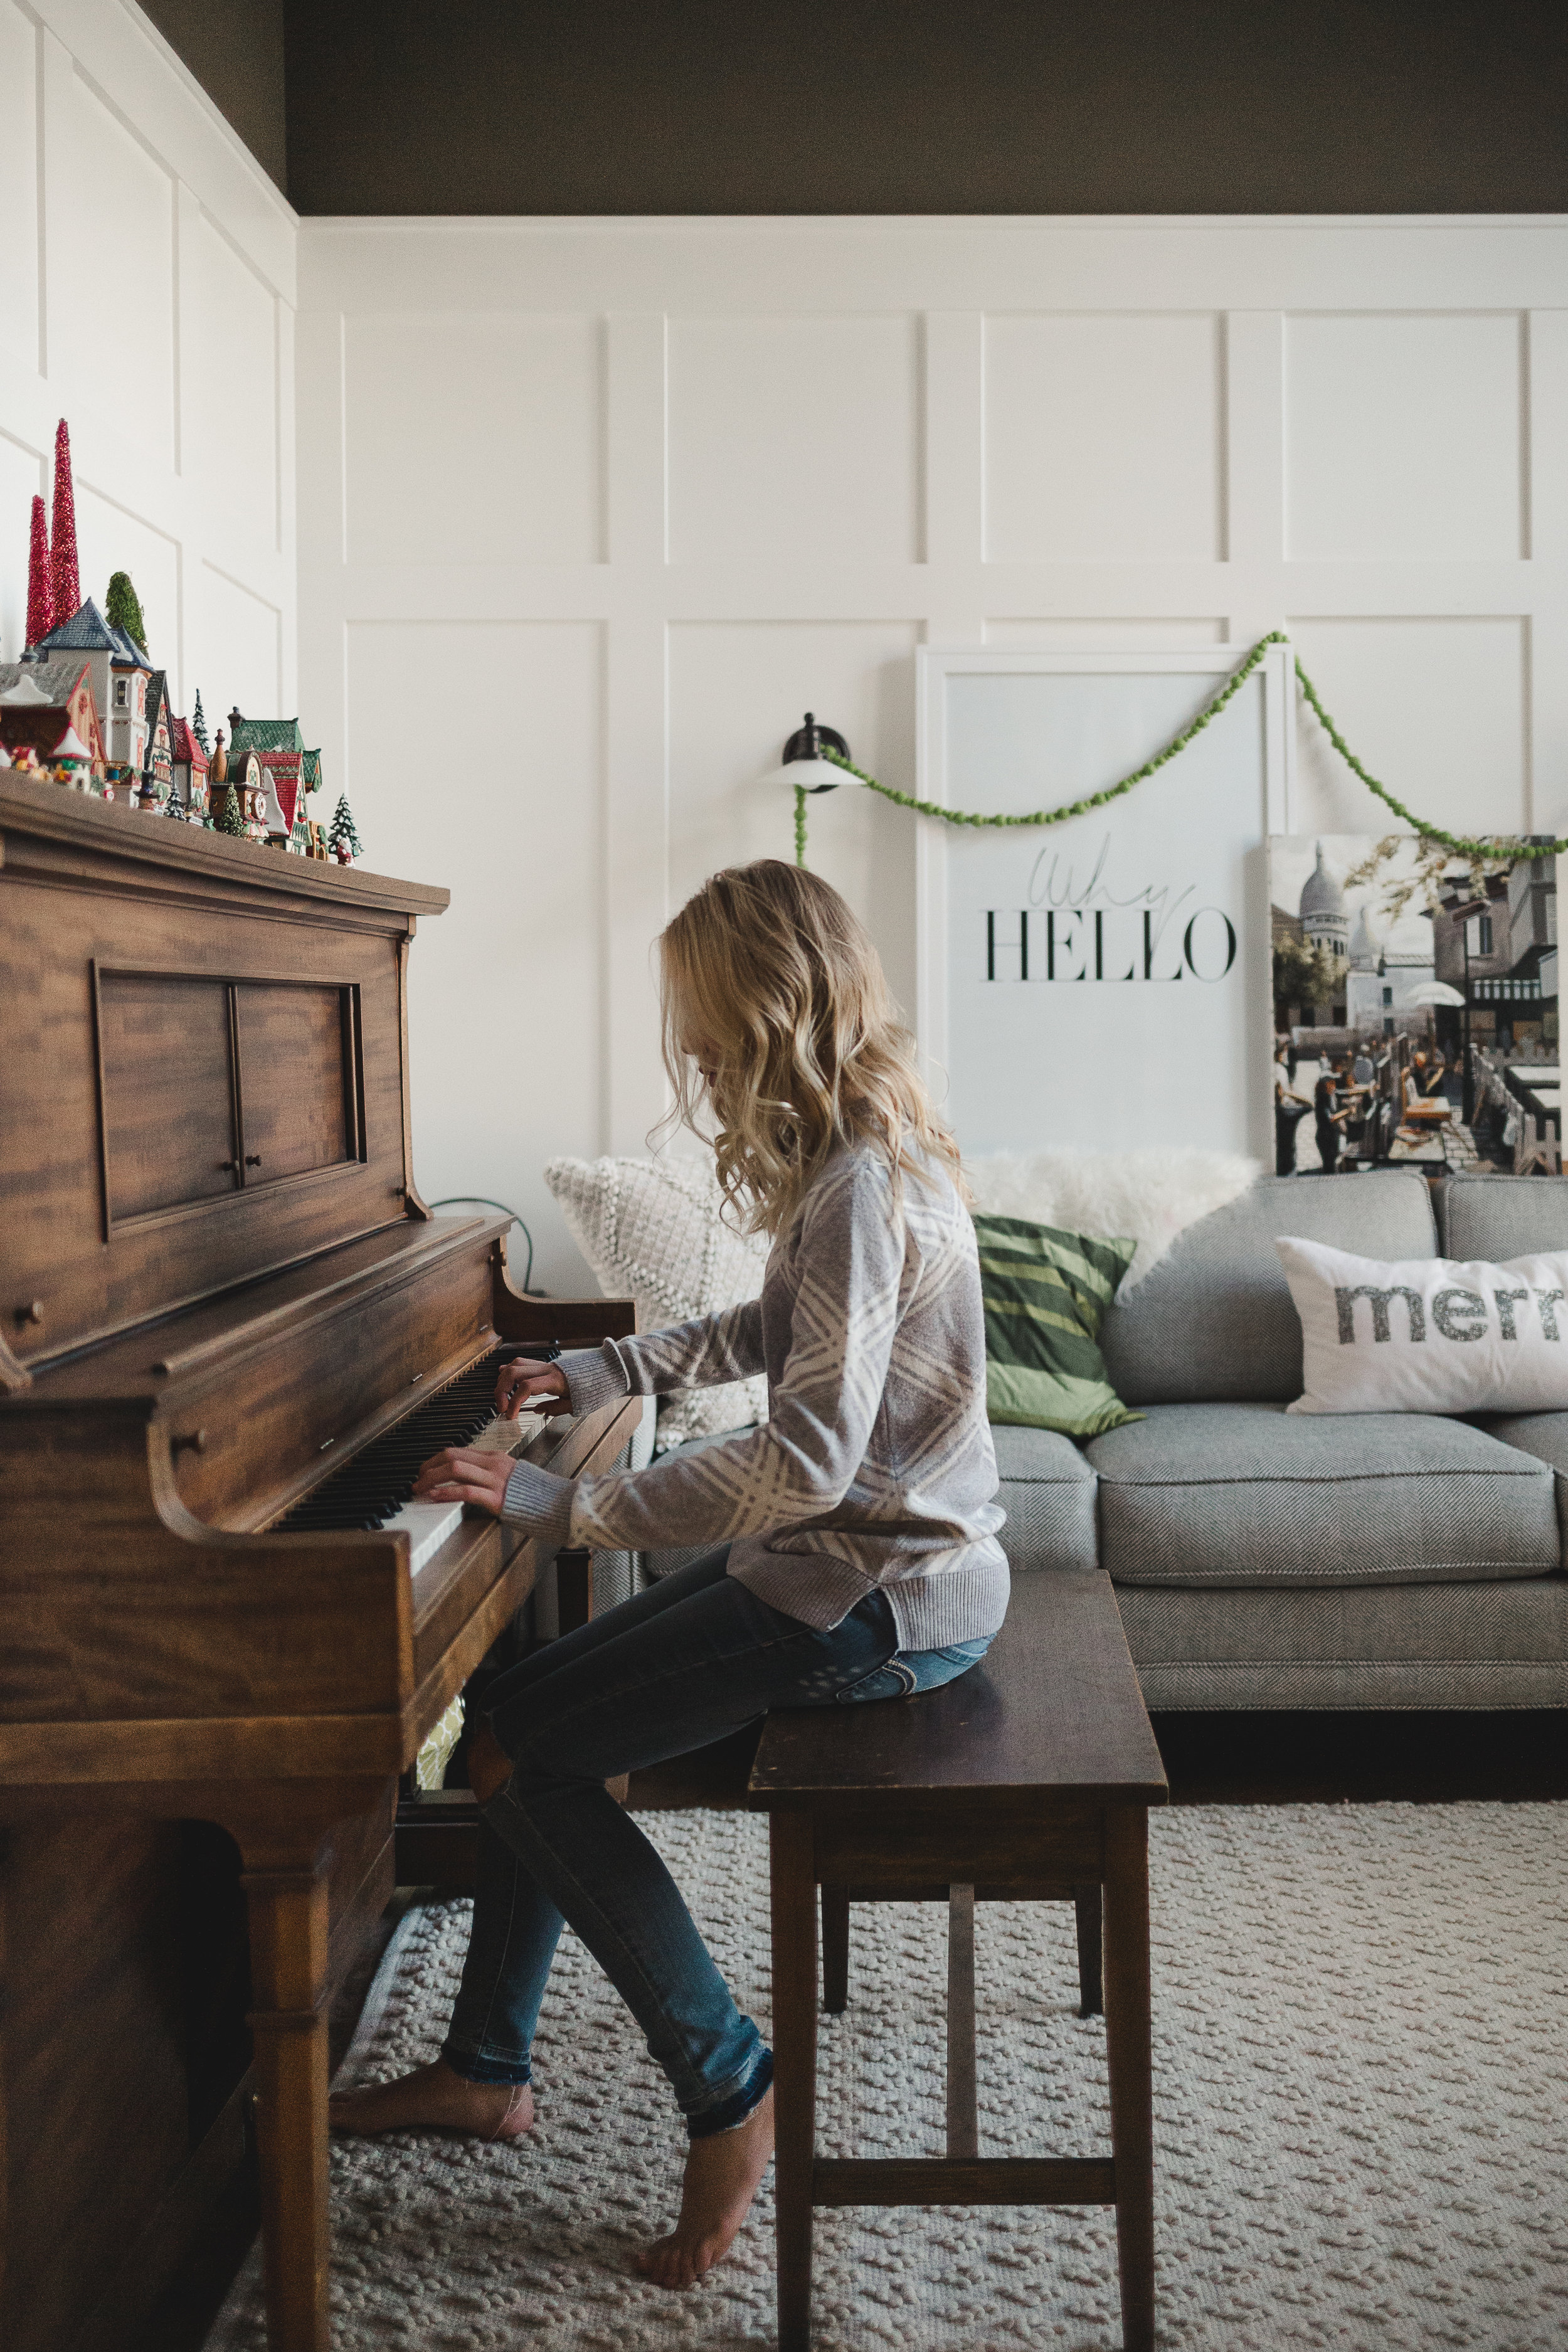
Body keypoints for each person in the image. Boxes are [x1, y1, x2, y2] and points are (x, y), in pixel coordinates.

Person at [328, 860, 1008, 2290]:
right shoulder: (866, 1154)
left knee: (516, 1751)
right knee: (516, 1702)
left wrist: (556, 1497)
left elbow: (808, 1461)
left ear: (760, 1005)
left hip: (882, 1595)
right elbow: (769, 1329)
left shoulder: (864, 1183)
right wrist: (598, 1367)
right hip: (848, 1560)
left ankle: (729, 2084)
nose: (687, 1045)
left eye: (698, 1014)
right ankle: (480, 2065)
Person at [1314, 1056, 1353, 1172]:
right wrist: (1346, 1112)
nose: (1333, 1086)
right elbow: (1331, 1118)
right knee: (1329, 1167)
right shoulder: (1322, 1101)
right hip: (1326, 1138)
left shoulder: (1330, 1096)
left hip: (1332, 1136)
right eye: (1331, 1084)